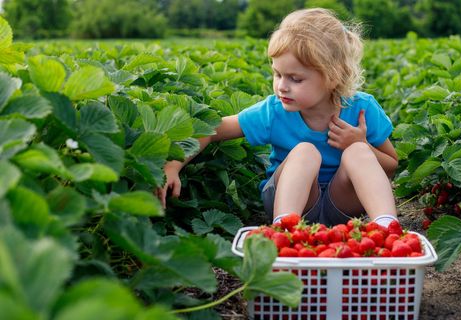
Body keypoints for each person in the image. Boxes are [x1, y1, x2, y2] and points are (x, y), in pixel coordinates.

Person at [156, 8, 399, 227]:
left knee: (358, 151)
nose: (282, 86)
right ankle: (284, 230)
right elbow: (212, 128)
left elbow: (391, 165)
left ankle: (387, 228)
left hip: (343, 207)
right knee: (305, 151)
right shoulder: (274, 111)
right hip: (290, 203)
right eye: (277, 74)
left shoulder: (361, 108)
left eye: (295, 79)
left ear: (333, 77)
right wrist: (173, 165)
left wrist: (359, 143)